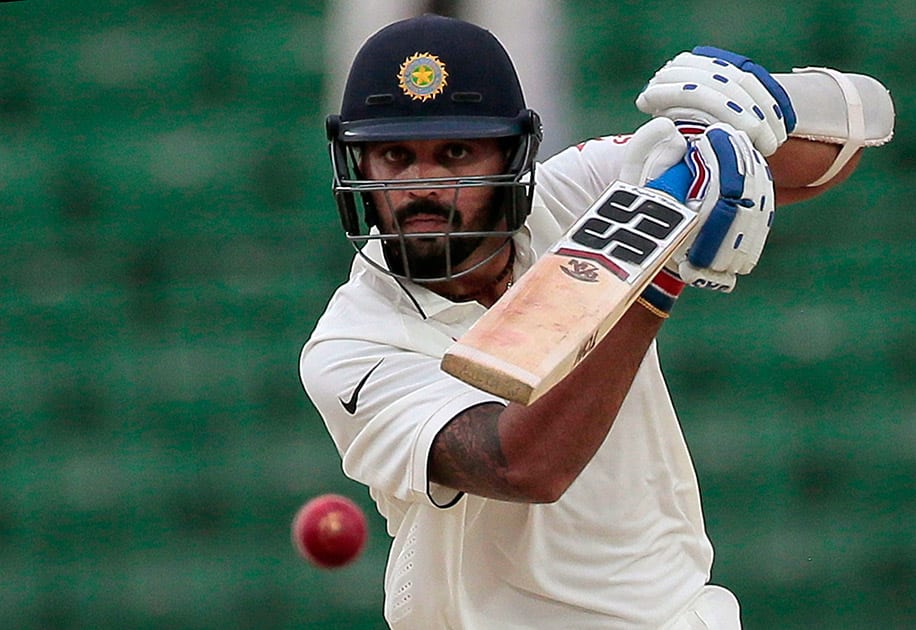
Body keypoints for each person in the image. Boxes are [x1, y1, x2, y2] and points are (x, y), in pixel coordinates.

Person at [300, 13, 885, 629]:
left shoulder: (578, 193)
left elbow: (850, 136)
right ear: (359, 166)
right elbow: (524, 465)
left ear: (514, 153)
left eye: (456, 152)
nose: (423, 185)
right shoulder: (352, 346)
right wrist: (656, 262)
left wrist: (752, 118)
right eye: (395, 155)